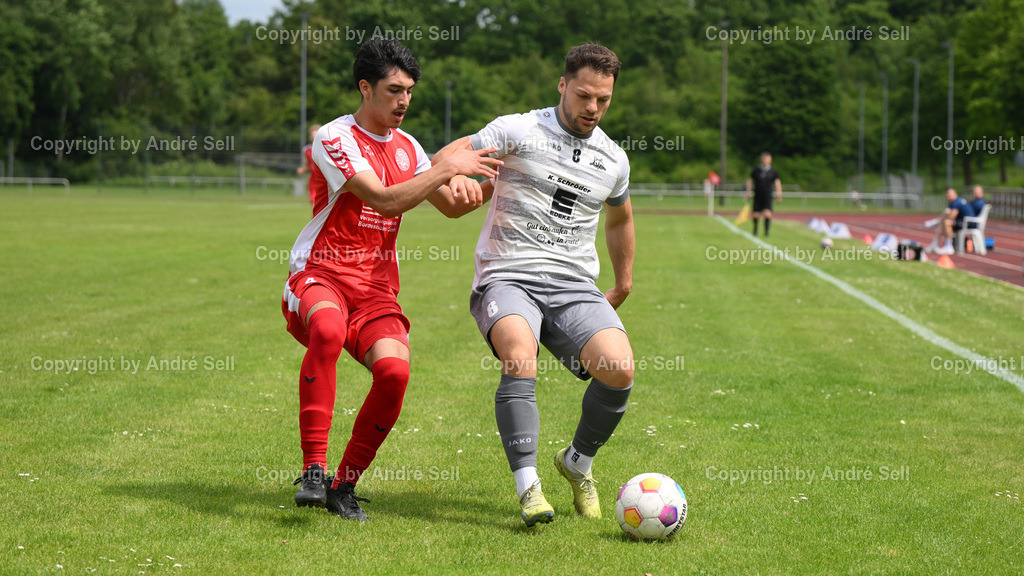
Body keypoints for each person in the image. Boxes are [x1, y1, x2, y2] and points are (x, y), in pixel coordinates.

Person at [281, 39, 501, 521]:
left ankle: (343, 486)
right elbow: (384, 200)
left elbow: (451, 206)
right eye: (394, 90)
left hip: (376, 291)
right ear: (365, 87)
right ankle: (313, 470)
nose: (404, 101)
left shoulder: (409, 147)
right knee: (327, 330)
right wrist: (446, 167)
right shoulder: (335, 136)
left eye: (410, 92)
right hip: (321, 274)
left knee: (395, 373)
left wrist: (503, 180)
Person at [433, 44, 635, 527]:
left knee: (619, 369)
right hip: (507, 275)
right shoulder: (517, 130)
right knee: (520, 354)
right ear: (562, 85)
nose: (592, 107)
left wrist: (624, 280)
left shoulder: (614, 158)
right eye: (583, 95)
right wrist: (456, 177)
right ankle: (529, 488)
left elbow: (620, 218)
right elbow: (447, 155)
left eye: (603, 99)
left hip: (573, 283)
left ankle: (577, 463)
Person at [925, 187, 974, 255]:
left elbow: (952, 216)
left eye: (949, 194)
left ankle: (948, 246)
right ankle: (936, 243)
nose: (948, 196)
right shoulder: (955, 202)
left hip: (968, 223)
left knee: (946, 222)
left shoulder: (957, 202)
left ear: (955, 194)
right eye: (947, 194)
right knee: (946, 215)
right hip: (963, 221)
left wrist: (943, 220)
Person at [744, 152, 782, 236]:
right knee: (755, 214)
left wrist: (779, 194)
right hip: (757, 195)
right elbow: (750, 181)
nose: (766, 160)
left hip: (767, 196)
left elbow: (777, 183)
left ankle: (766, 232)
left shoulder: (773, 171)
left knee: (767, 214)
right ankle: (755, 230)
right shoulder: (756, 170)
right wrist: (748, 192)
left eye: (768, 159)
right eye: (764, 159)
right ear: (761, 159)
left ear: (770, 160)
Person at [296, 123, 325, 215]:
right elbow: (307, 164)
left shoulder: (325, 148)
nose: (314, 137)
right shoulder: (307, 150)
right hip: (313, 180)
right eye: (313, 135)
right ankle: (317, 219)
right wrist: (302, 169)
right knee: (314, 201)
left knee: (323, 202)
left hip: (324, 179)